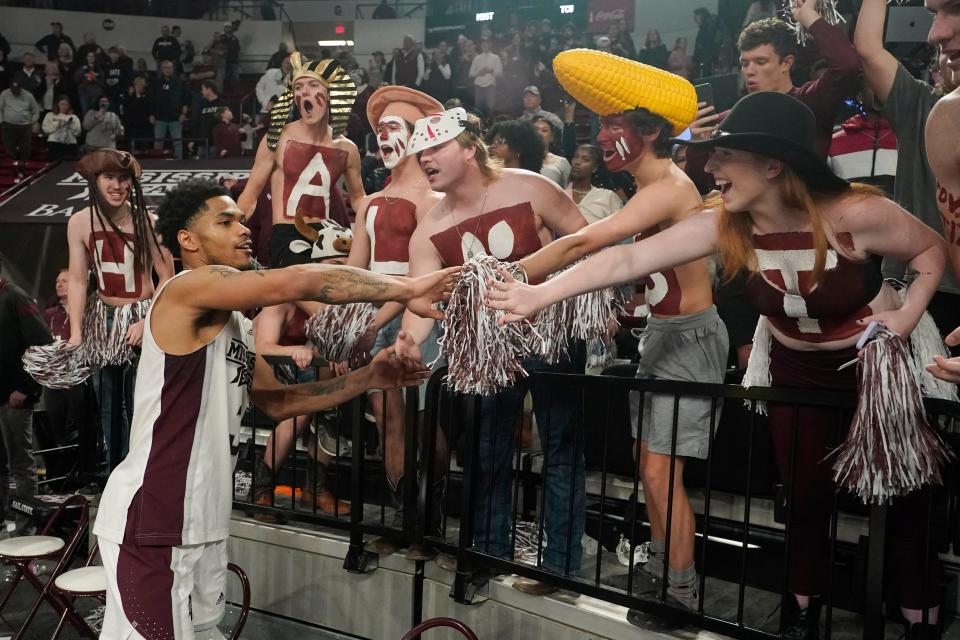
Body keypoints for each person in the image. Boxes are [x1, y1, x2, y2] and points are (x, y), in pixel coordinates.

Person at [487, 91, 947, 639]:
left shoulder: (858, 213)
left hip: (875, 366)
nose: (711, 167)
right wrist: (539, 294)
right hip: (795, 369)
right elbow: (628, 257)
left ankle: (921, 619)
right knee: (802, 496)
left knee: (905, 492)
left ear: (773, 164)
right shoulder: (725, 223)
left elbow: (931, 252)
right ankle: (803, 609)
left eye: (726, 156)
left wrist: (909, 313)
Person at [93, 178, 457, 640]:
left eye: (242, 220)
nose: (243, 230)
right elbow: (301, 279)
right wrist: (409, 287)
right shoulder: (188, 288)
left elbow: (278, 402)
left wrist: (367, 378)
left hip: (202, 518)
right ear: (187, 241)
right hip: (154, 518)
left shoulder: (234, 327)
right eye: (224, 222)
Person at [509, 50, 725, 610]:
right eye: (600, 124)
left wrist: (510, 277)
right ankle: (662, 576)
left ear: (648, 131)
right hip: (663, 335)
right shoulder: (648, 185)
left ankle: (680, 595)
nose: (602, 136)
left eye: (613, 124)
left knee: (659, 473)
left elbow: (585, 244)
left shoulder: (669, 188)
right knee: (650, 471)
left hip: (689, 338)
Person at [395, 107, 588, 594]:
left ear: (468, 148)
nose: (425, 160)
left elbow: (585, 240)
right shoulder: (429, 226)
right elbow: (421, 298)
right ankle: (486, 553)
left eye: (435, 149)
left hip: (551, 336)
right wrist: (407, 340)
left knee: (561, 448)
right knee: (487, 450)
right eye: (421, 153)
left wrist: (570, 302)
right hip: (491, 348)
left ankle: (561, 566)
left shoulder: (529, 186)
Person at [347, 86, 445, 552]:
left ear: (416, 135)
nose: (384, 137)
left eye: (393, 128)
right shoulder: (368, 202)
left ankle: (428, 522)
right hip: (373, 313)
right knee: (387, 419)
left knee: (426, 424)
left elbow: (418, 275)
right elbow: (353, 270)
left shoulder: (433, 198)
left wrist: (373, 319)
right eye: (380, 129)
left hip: (416, 317)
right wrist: (348, 321)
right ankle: (402, 518)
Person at [854, 0, 960, 341]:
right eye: (934, 15)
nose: (937, 37)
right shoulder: (923, 107)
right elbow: (869, 50)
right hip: (928, 289)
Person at [65, 150, 174, 468]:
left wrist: (148, 321)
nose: (116, 185)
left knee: (142, 404)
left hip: (141, 315)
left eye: (123, 178)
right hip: (103, 319)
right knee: (107, 406)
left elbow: (167, 276)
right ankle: (117, 476)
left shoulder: (147, 221)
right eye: (109, 177)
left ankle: (141, 476)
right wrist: (75, 333)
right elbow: (76, 279)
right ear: (95, 181)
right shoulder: (79, 222)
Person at [250, 220, 355, 520]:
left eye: (345, 267)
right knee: (302, 411)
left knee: (329, 404)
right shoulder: (283, 299)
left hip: (309, 377)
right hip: (272, 375)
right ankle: (262, 488)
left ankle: (315, 488)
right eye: (334, 264)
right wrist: (294, 350)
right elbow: (261, 347)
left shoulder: (336, 304)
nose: (339, 272)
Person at [237, 53, 365, 267]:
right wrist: (231, 228)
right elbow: (250, 195)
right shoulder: (277, 138)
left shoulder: (347, 149)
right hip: (286, 235)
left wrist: (382, 215)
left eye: (313, 85)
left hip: (327, 235)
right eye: (298, 87)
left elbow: (358, 198)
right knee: (300, 290)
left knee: (346, 275)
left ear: (330, 93)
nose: (304, 92)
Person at [0, 258, 52, 536]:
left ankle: (25, 531)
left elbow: (43, 344)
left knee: (20, 463)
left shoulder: (14, 296)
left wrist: (25, 387)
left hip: (14, 398)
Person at [566, 144, 623, 225]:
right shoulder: (559, 194)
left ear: (595, 167)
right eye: (575, 157)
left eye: (585, 159)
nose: (577, 162)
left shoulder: (608, 197)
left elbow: (620, 228)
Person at [151, 60, 190, 159]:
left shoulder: (180, 82)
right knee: (158, 141)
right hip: (160, 117)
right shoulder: (156, 82)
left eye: (169, 68)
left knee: (177, 142)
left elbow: (185, 99)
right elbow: (152, 99)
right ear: (161, 69)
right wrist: (152, 114)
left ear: (173, 69)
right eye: (165, 68)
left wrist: (183, 114)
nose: (167, 70)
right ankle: (157, 161)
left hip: (175, 116)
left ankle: (178, 162)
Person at [0, 79, 40, 167]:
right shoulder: (4, 94)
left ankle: (24, 164)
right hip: (8, 125)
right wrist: (1, 121)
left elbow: (36, 111)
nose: (15, 91)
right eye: (13, 89)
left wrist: (32, 122)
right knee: (9, 146)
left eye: (17, 89)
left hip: (25, 126)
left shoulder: (28, 96)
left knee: (25, 147)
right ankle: (12, 163)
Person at [531, 116, 571, 187]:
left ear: (552, 136)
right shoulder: (519, 160)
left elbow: (567, 191)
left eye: (544, 130)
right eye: (535, 130)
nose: (539, 133)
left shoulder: (562, 162)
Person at [469, 38, 502, 118]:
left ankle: (490, 127)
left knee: (490, 109)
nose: (484, 46)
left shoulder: (496, 57)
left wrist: (490, 70)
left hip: (490, 86)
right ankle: (478, 128)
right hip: (478, 86)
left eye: (486, 44)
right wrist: (479, 73)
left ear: (490, 45)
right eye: (483, 44)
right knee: (478, 109)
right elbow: (471, 74)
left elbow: (500, 73)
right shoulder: (477, 58)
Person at [42, 94, 81, 160]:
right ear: (57, 105)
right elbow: (46, 129)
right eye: (62, 104)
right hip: (54, 145)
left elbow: (77, 133)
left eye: (66, 105)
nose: (64, 107)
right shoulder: (50, 115)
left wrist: (70, 124)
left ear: (69, 106)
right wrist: (58, 123)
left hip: (70, 145)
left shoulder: (74, 117)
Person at [195, 80, 227, 157]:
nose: (201, 92)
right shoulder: (202, 105)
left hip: (215, 144)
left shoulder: (221, 104)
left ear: (209, 89)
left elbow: (225, 123)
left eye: (203, 89)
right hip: (202, 143)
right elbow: (198, 123)